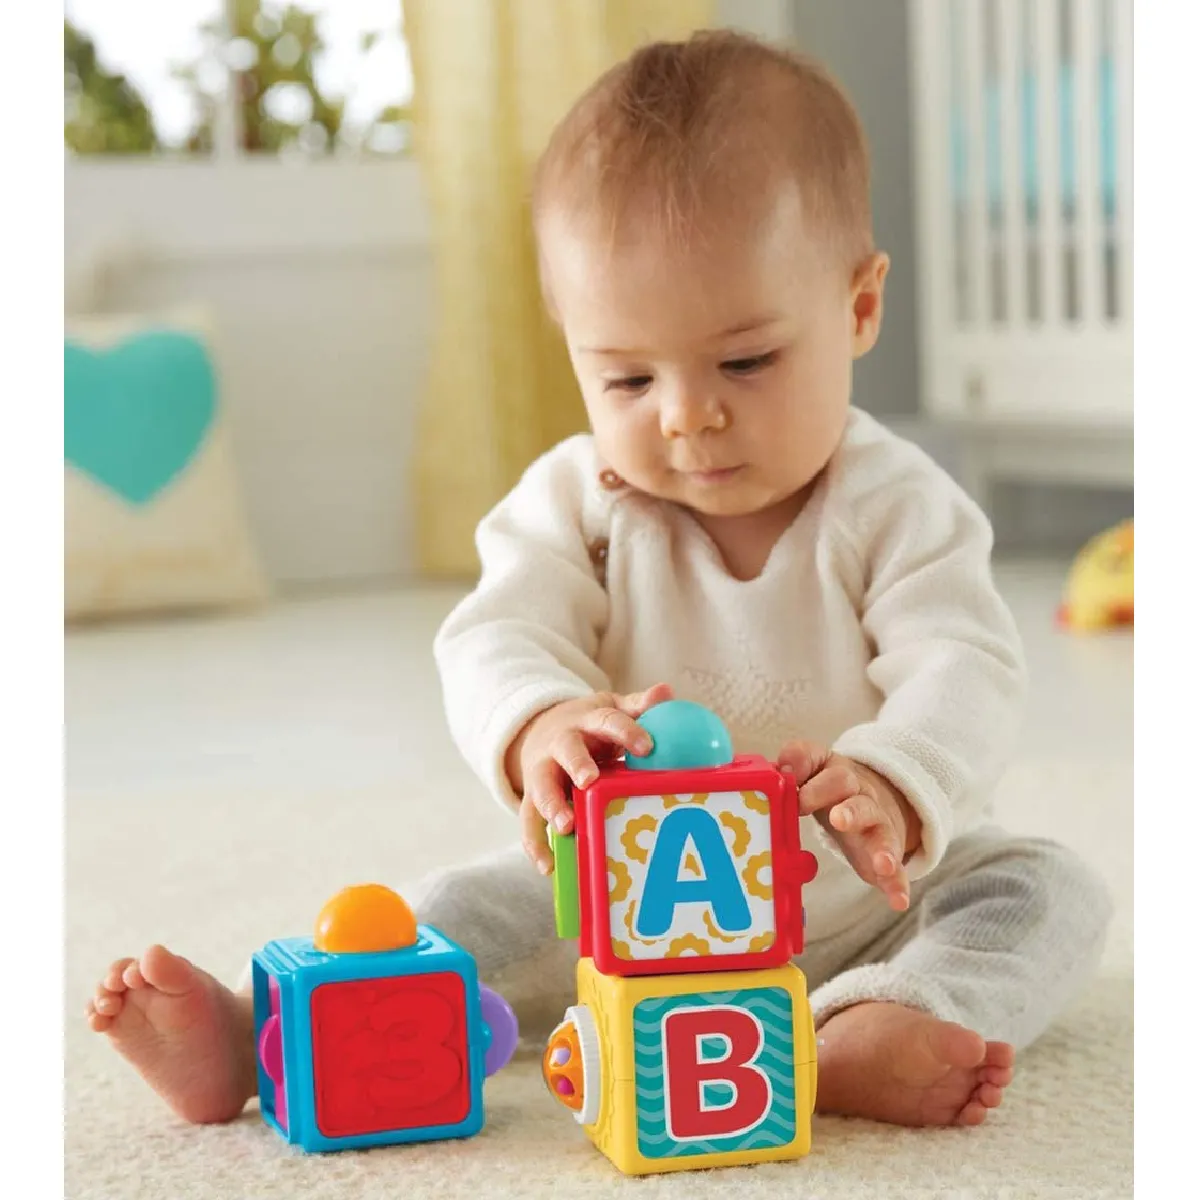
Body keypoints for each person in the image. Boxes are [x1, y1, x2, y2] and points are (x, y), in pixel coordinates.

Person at [88, 30, 1111, 1130]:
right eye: (627, 374)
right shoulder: (578, 501)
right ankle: (273, 1039)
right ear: (573, 344)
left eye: (746, 362)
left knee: (1047, 890)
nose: (685, 414)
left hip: (871, 899)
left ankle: (881, 1023)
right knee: (468, 904)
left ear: (859, 308)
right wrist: (542, 726)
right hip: (624, 906)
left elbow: (967, 664)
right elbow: (494, 638)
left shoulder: (899, 501)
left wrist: (898, 781)